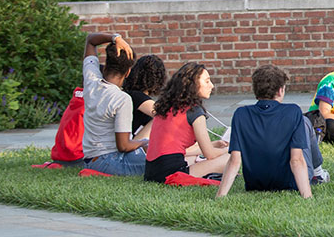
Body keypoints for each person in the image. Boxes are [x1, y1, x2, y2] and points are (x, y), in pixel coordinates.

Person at [217, 65, 315, 198]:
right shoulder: (293, 111)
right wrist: (307, 196)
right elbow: (296, 160)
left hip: (255, 184)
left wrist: (220, 195)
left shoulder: (241, 114)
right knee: (306, 122)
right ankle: (319, 171)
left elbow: (234, 160)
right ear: (280, 91)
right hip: (289, 183)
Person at [144, 62, 231, 183]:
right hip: (172, 173)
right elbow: (210, 154)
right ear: (193, 84)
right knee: (229, 158)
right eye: (207, 81)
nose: (211, 86)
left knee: (195, 157)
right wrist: (231, 149)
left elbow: (173, 150)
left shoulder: (167, 106)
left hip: (151, 172)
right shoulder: (194, 111)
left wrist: (214, 144)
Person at [80, 31, 146, 176]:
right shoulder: (122, 99)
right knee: (162, 161)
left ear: (107, 64)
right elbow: (123, 146)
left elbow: (91, 40)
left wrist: (115, 38)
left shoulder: (91, 81)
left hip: (90, 159)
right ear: (128, 72)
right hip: (110, 161)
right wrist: (144, 142)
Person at [123, 54, 166, 140]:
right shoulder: (137, 97)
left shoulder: (131, 94)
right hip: (132, 144)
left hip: (130, 140)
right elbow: (164, 114)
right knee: (160, 118)